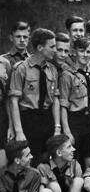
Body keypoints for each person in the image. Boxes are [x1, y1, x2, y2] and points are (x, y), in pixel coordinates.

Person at [9, 28, 61, 167]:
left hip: (47, 118)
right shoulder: (21, 68)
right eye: (52, 46)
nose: (55, 50)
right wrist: (19, 131)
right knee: (31, 161)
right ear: (40, 47)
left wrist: (57, 127)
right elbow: (14, 101)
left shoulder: (52, 69)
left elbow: (55, 100)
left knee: (49, 161)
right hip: (29, 120)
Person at [59, 38, 90, 168]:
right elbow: (63, 105)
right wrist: (67, 131)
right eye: (81, 51)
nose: (85, 55)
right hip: (74, 121)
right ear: (74, 52)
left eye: (89, 51)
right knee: (74, 161)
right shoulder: (67, 75)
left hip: (89, 121)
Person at [0, 57, 12, 169]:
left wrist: (10, 126)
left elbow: (7, 97)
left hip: (2, 120)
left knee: (3, 164)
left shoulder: (4, 63)